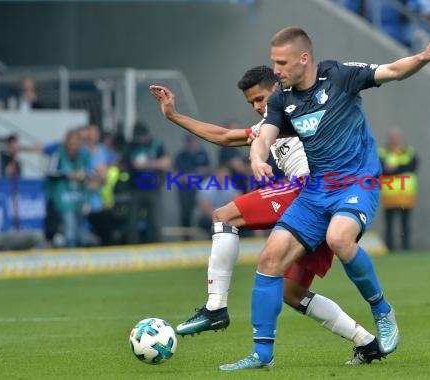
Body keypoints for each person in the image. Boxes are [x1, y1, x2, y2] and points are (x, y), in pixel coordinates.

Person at [218, 27, 430, 371]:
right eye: (274, 62)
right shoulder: (282, 98)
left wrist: (423, 57)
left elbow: (390, 71)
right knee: (269, 260)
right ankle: (262, 355)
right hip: (317, 191)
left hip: (357, 182)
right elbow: (263, 135)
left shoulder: (340, 76)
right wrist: (256, 158)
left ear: (304, 59)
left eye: (281, 63)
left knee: (339, 238)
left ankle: (382, 311)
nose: (277, 70)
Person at [150, 65, 384, 365]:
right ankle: (367, 343)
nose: (258, 107)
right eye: (251, 103)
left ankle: (215, 307)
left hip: (310, 192)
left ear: (278, 87)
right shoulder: (271, 124)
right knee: (292, 293)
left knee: (224, 215)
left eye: (261, 98)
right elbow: (223, 136)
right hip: (320, 210)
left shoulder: (300, 110)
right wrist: (173, 115)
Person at [126, 122, 171, 244]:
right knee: (132, 221)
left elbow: (166, 163)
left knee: (155, 221)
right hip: (135, 188)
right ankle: (133, 247)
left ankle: (156, 246)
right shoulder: (130, 146)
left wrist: (148, 164)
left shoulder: (156, 144)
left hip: (153, 187)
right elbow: (127, 163)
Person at [379, 128, 418, 251]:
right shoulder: (382, 152)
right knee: (389, 226)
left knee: (405, 225)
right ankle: (390, 248)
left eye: (397, 136)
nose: (395, 139)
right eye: (393, 137)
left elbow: (412, 166)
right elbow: (379, 169)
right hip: (389, 196)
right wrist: (399, 169)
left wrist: (393, 169)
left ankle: (405, 247)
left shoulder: (409, 152)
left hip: (406, 196)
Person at [174, 135, 211, 234]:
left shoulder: (202, 154)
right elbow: (174, 174)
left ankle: (209, 235)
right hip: (185, 189)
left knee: (206, 211)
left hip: (202, 188)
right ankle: (186, 238)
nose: (192, 144)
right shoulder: (181, 156)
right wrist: (187, 177)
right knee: (186, 214)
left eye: (193, 141)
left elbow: (210, 169)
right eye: (189, 142)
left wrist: (202, 171)